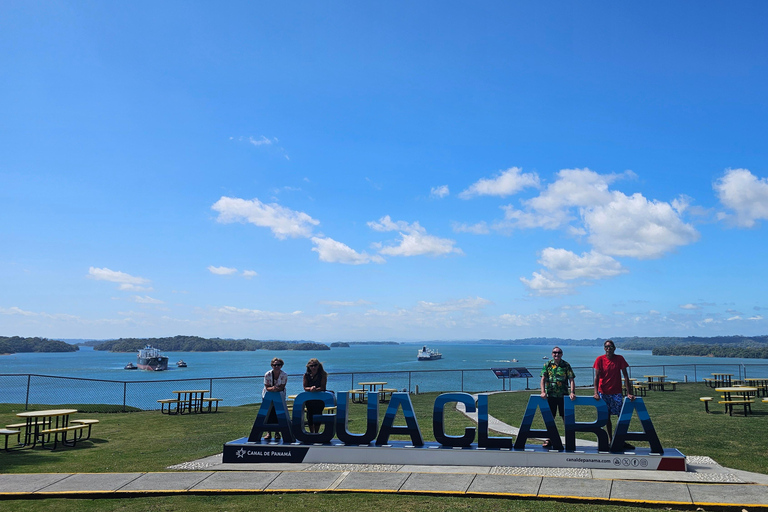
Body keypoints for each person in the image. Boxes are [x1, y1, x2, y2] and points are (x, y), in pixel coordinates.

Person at [593, 339, 635, 449]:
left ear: (614, 348)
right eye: (606, 347)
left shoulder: (619, 359)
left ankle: (621, 439)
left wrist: (629, 393)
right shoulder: (600, 359)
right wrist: (596, 392)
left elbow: (625, 376)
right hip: (604, 392)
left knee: (621, 416)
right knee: (606, 418)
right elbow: (597, 377)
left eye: (610, 346)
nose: (608, 348)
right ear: (604, 348)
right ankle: (610, 439)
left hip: (616, 392)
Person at [540, 346, 576, 449]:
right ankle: (549, 438)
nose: (557, 354)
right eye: (555, 352)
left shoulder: (566, 365)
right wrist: (543, 392)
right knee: (550, 418)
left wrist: (572, 392)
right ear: (552, 354)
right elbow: (543, 379)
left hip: (563, 396)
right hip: (551, 396)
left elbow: (571, 379)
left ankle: (569, 439)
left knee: (565, 418)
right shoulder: (547, 365)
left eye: (559, 352)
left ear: (562, 354)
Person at [262, 357, 287, 441]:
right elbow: (267, 387)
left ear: (281, 365)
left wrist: (276, 389)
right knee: (268, 414)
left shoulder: (284, 375)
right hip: (268, 396)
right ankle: (268, 433)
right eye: (275, 365)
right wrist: (273, 388)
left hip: (279, 396)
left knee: (278, 414)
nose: (277, 366)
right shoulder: (267, 374)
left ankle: (277, 432)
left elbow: (283, 386)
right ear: (272, 365)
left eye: (279, 365)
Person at [303, 358, 328, 433]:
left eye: (315, 365)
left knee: (318, 414)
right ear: (308, 367)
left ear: (318, 366)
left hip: (319, 399)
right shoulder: (306, 375)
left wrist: (316, 389)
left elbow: (323, 387)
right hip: (309, 399)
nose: (313, 367)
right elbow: (305, 387)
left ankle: (316, 432)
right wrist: (310, 388)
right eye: (311, 366)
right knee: (309, 416)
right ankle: (311, 432)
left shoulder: (323, 375)